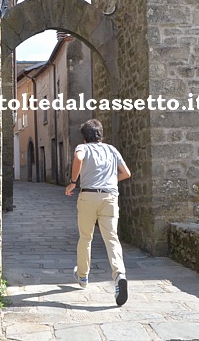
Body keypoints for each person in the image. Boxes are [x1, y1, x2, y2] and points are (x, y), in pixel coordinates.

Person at [65, 118, 131, 306]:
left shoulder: (83, 148)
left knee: (86, 237)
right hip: (110, 197)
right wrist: (110, 181)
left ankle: (83, 276)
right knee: (111, 238)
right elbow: (126, 173)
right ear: (100, 134)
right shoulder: (112, 150)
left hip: (88, 196)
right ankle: (119, 274)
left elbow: (78, 158)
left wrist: (72, 181)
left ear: (85, 137)